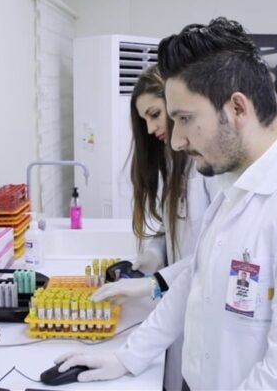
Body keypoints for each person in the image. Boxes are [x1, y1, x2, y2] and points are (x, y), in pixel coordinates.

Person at [53, 17, 277, 390]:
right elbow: (196, 282)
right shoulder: (236, 183)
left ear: (237, 108)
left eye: (185, 119)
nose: (176, 140)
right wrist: (127, 357)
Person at [88, 64, 218, 391]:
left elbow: (214, 255)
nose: (149, 128)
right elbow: (175, 229)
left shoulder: (209, 169)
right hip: (177, 305)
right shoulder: (176, 162)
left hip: (204, 311)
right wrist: (153, 255)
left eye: (154, 114)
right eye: (144, 120)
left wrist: (153, 284)